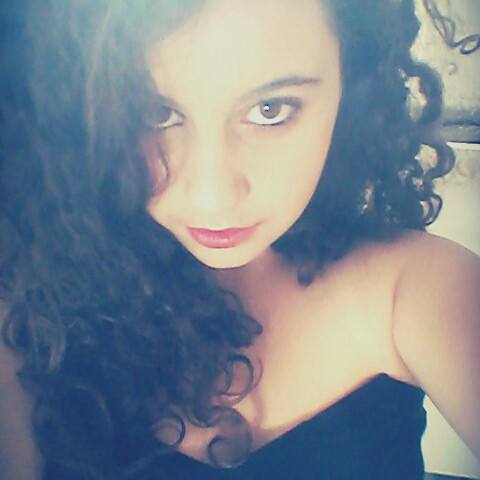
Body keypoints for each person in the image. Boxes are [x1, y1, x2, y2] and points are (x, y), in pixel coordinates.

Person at [0, 0, 479, 478]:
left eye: (270, 110)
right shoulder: (31, 322)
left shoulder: (418, 292)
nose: (212, 195)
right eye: (156, 113)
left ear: (352, 85)